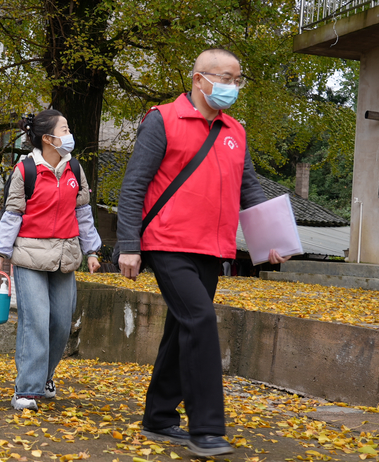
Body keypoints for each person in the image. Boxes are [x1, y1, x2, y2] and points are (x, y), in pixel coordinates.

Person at [115, 48, 289, 457]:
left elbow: (249, 191)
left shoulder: (236, 132)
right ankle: (207, 429)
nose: (232, 86)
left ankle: (158, 417)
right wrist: (128, 246)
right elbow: (134, 185)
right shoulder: (162, 119)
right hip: (168, 242)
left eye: (237, 79)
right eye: (224, 78)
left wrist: (270, 241)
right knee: (200, 319)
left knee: (182, 330)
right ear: (198, 78)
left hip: (214, 249)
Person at [0, 109, 102, 412]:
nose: (70, 133)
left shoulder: (75, 167)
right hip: (29, 256)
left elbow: (83, 214)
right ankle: (27, 390)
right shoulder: (25, 171)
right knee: (36, 321)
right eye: (65, 129)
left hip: (66, 256)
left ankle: (45, 377)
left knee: (61, 324)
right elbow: (12, 215)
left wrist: (92, 252)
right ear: (48, 138)